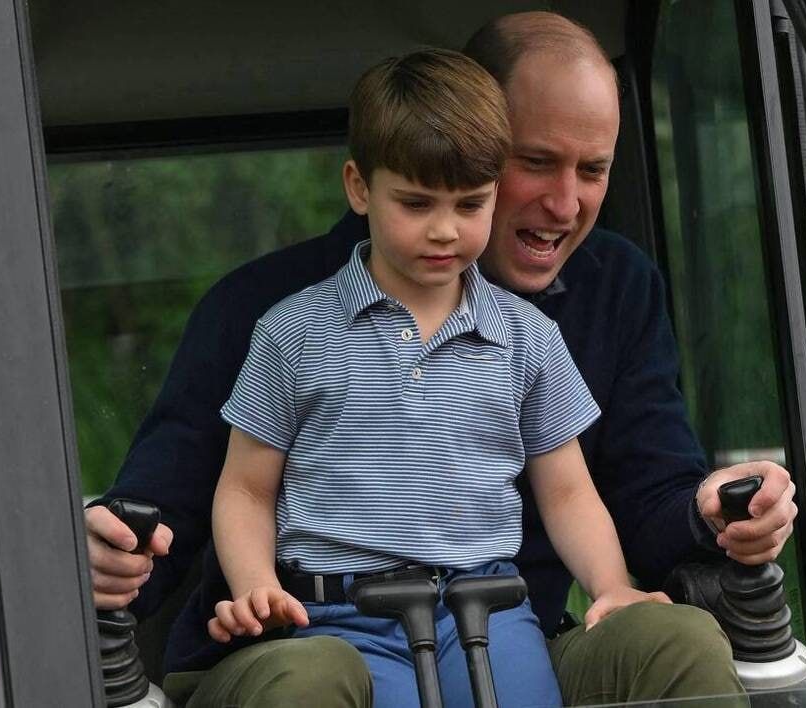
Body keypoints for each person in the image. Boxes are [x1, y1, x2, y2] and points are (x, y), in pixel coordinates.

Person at [87, 11, 798, 707]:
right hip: (303, 640)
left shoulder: (609, 293)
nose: (564, 202)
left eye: (594, 170)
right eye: (538, 162)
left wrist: (709, 515)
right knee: (312, 678)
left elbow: (620, 496)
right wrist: (115, 551)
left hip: (499, 628)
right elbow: (172, 510)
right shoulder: (272, 314)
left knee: (677, 642)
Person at [208, 47, 667, 708]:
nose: (445, 230)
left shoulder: (529, 338)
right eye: (417, 203)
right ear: (360, 187)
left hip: (488, 609)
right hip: (341, 618)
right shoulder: (292, 332)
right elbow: (247, 490)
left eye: (471, 203)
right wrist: (255, 584)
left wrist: (612, 585)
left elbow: (567, 494)